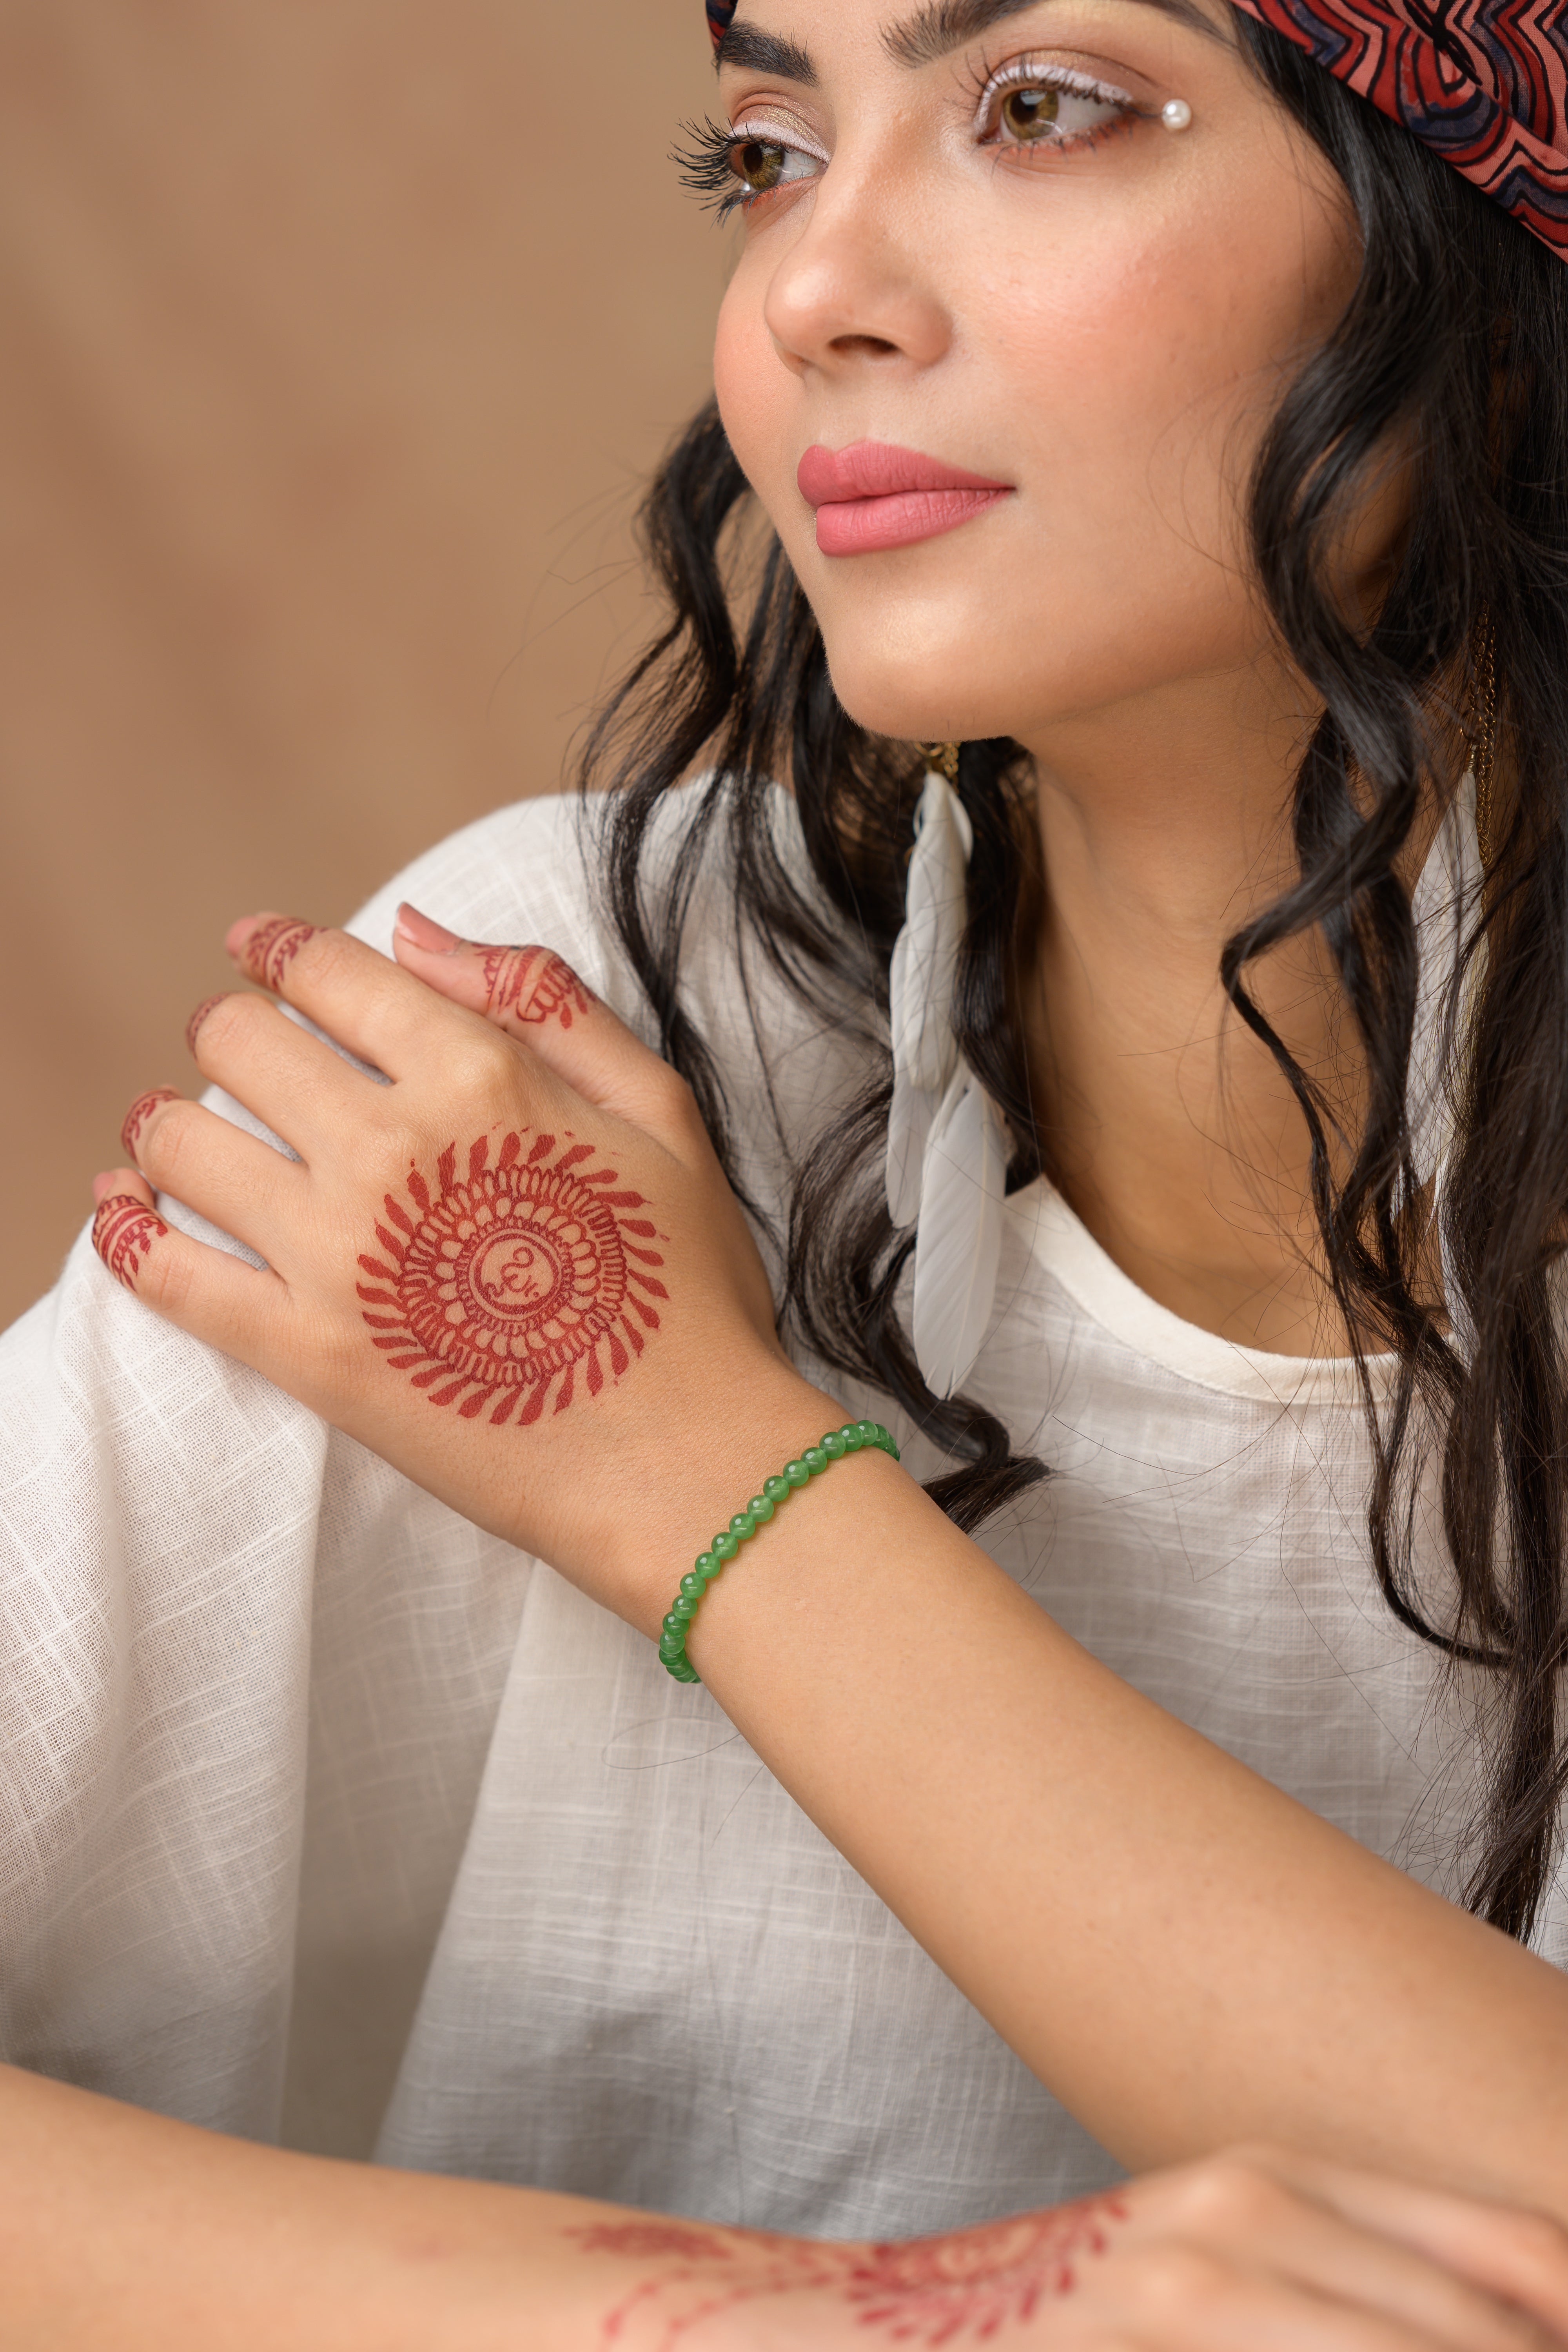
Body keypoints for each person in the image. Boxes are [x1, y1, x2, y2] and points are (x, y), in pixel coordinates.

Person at [6, 0, 1568, 2340]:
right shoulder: (559, 1036)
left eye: (1039, 108)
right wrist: (867, 2322)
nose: (811, 289)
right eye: (762, 148)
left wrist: (694, 1470)